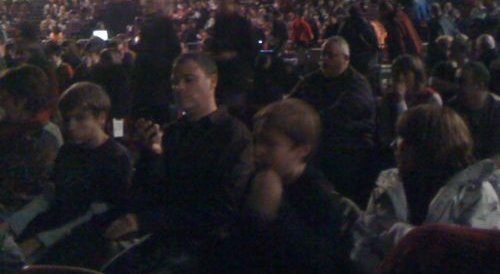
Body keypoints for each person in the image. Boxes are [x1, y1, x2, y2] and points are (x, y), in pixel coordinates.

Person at [104, 53, 253, 273]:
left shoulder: (233, 135)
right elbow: (151, 191)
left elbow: (220, 208)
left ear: (212, 81)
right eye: (175, 81)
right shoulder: (174, 132)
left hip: (205, 247)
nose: (179, 87)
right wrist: (151, 153)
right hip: (167, 237)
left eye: (189, 79)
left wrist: (146, 221)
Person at [353, 104, 500, 273]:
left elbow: (475, 260)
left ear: (426, 146)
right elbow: (362, 246)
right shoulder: (387, 187)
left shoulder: (475, 193)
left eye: (402, 137)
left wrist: (408, 238)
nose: (394, 145)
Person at [219, 99, 359, 273]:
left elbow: (320, 263)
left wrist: (277, 210)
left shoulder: (320, 198)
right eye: (257, 140)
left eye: (269, 143)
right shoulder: (257, 177)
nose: (258, 150)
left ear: (302, 150)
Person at [5, 82, 132, 267]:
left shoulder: (115, 158)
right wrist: (12, 225)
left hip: (82, 240)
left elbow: (96, 215)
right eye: (67, 119)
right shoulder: (68, 150)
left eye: (80, 118)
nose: (71, 126)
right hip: (52, 228)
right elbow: (50, 196)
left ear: (101, 118)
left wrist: (39, 240)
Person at [290, 36, 376, 206]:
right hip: (318, 143)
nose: (324, 59)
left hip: (348, 149)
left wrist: (309, 120)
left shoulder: (357, 84)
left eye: (330, 55)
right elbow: (293, 101)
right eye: (323, 55)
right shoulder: (312, 80)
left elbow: (344, 114)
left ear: (346, 58)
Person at [0, 65, 63, 211]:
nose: (1, 102)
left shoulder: (45, 136)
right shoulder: (11, 128)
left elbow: (40, 191)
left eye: (4, 97)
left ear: (22, 100)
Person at [377, 54, 442, 163]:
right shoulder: (390, 98)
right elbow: (384, 131)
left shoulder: (430, 98)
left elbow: (409, 130)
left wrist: (400, 102)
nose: (400, 78)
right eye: (396, 73)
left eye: (405, 73)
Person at [210, 0, 256, 114]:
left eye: (225, 1)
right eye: (220, 1)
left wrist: (232, 55)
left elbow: (250, 50)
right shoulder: (218, 23)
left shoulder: (242, 24)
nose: (222, 4)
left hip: (236, 78)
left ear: (234, 4)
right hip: (220, 77)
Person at [449, 61, 500, 162]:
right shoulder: (451, 108)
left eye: (462, 82)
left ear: (480, 86)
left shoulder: (497, 110)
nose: (457, 86)